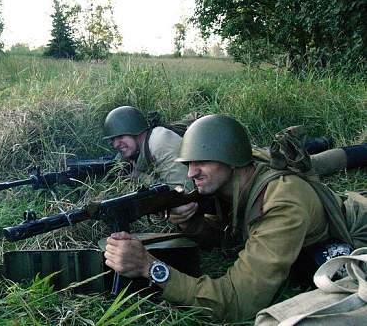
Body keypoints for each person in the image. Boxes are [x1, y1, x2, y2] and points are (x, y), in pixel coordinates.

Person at [103, 114, 366, 322]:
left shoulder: (280, 202)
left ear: (230, 160)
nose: (192, 173)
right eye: (188, 164)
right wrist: (192, 223)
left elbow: (237, 302)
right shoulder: (235, 182)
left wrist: (151, 268)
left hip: (354, 227)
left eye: (202, 161)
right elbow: (228, 234)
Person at [103, 106, 366, 189]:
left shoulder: (158, 141)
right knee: (291, 153)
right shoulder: (145, 147)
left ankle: (360, 151)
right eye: (113, 141)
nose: (117, 144)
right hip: (232, 160)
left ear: (136, 129)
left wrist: (141, 178)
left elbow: (187, 188)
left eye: (120, 137)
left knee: (311, 166)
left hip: (244, 163)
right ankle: (321, 142)